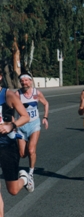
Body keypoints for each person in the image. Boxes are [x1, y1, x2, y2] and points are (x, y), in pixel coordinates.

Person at [0, 69, 34, 217]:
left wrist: (11, 126)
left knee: (12, 190)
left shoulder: (8, 95)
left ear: (0, 77)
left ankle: (25, 178)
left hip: (7, 145)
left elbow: (25, 116)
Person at [15, 72, 49, 185]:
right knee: (22, 154)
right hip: (21, 127)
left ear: (30, 81)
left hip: (34, 124)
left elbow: (46, 103)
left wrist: (45, 117)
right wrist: (13, 123)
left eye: (26, 80)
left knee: (31, 150)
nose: (24, 83)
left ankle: (30, 173)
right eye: (22, 81)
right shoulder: (17, 94)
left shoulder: (37, 93)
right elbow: (10, 108)